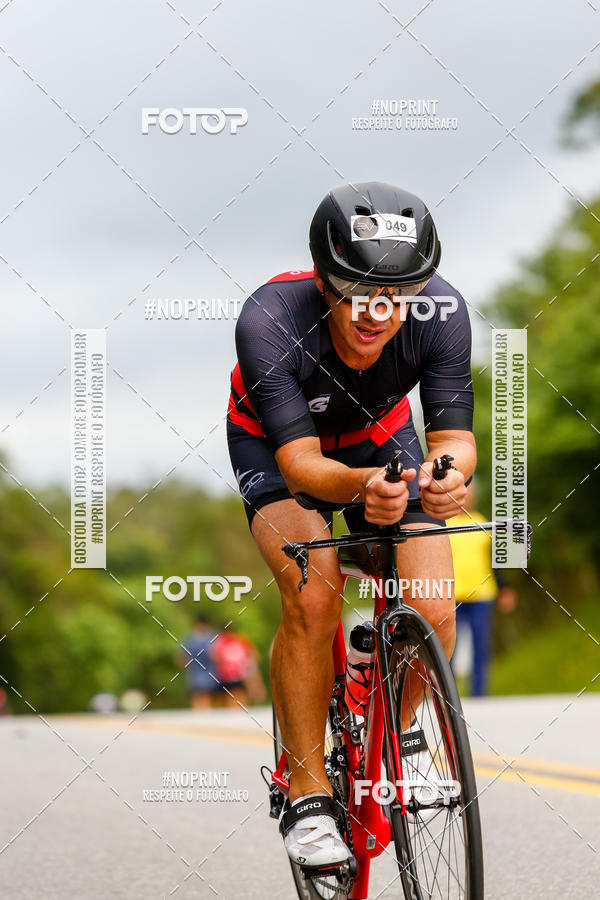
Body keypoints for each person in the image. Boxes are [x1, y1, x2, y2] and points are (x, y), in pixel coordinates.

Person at [227, 181, 475, 868]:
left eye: (396, 295)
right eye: (353, 289)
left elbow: (454, 439)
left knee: (432, 598)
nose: (375, 311)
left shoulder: (444, 313)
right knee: (315, 591)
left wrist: (447, 475)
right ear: (322, 277)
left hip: (379, 441)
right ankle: (306, 792)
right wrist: (369, 487)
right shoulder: (270, 317)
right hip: (280, 453)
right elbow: (303, 465)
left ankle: (403, 736)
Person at [448, 481, 517, 696]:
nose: (465, 499)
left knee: (481, 646)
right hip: (452, 596)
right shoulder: (443, 525)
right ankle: (448, 695)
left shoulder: (483, 524)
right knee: (450, 648)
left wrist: (505, 588)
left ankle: (479, 693)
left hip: (482, 595)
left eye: (469, 495)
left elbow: (496, 562)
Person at [213, 628, 266, 708]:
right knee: (240, 698)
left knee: (231, 698)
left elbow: (215, 657)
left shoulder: (221, 641)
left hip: (228, 675)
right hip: (239, 675)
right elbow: (254, 656)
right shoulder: (241, 639)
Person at [177, 614, 219, 709]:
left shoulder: (211, 636)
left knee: (206, 696)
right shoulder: (191, 637)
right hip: (195, 673)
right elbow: (181, 656)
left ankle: (204, 717)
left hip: (209, 673)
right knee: (196, 696)